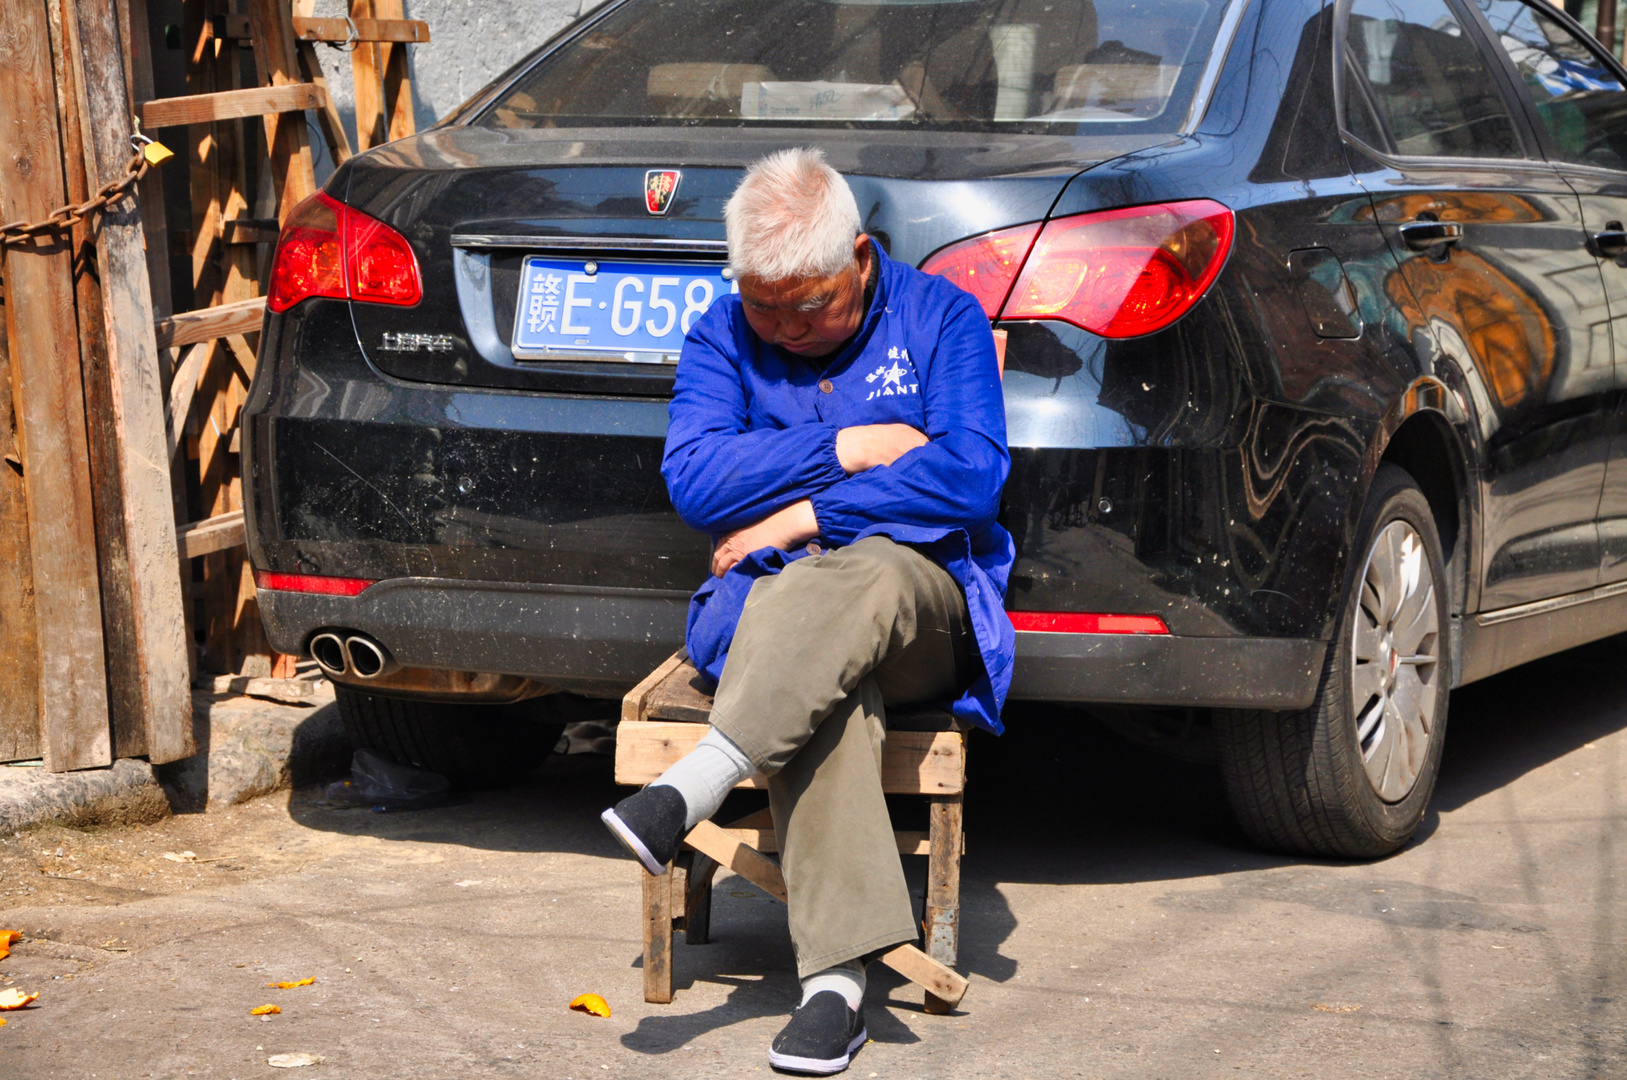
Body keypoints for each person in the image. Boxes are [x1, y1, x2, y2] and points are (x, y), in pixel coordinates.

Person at [601, 147, 1014, 1075]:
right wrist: (853, 446)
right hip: (768, 618)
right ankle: (834, 990)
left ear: (861, 259)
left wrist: (804, 512)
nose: (783, 327)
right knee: (829, 690)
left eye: (810, 304)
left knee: (861, 575)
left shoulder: (938, 317)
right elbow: (697, 481)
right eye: (764, 305)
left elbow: (971, 476)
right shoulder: (719, 335)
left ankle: (699, 779)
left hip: (917, 607)